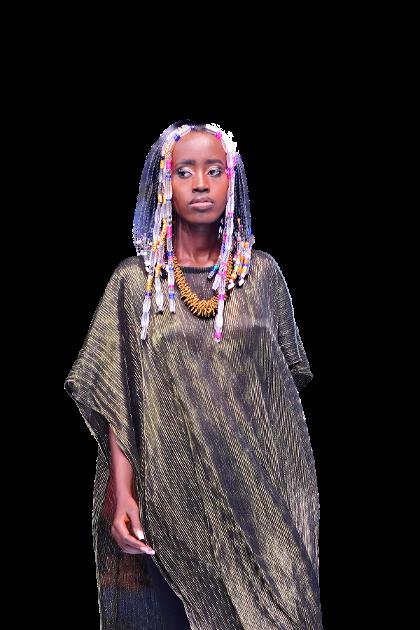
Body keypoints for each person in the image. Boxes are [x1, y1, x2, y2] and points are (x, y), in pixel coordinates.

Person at [64, 120, 323, 629]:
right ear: (164, 183)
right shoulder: (135, 284)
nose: (200, 184)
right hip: (172, 497)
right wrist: (123, 493)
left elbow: (281, 393)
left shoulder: (262, 276)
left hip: (262, 497)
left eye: (213, 171)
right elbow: (121, 394)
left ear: (232, 181)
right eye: (184, 172)